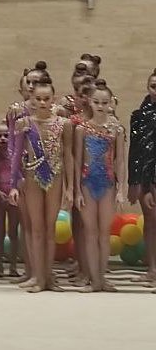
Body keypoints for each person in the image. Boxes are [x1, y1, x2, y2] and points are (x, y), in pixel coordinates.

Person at [9, 75, 73, 292]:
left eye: (47, 98)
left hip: (55, 178)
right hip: (32, 178)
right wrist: (13, 185)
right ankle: (37, 276)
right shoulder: (24, 124)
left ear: (53, 98)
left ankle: (48, 277)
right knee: (36, 228)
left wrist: (70, 187)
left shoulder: (64, 124)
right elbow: (16, 155)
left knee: (50, 228)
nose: (43, 102)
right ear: (32, 99)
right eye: (39, 98)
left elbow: (68, 156)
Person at [74, 80, 126, 292]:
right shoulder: (81, 129)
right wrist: (76, 189)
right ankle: (94, 279)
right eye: (96, 101)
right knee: (90, 232)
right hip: (87, 182)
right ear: (90, 102)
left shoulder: (117, 129)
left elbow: (121, 160)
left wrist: (121, 188)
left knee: (104, 233)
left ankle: (102, 278)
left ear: (111, 102)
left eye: (105, 102)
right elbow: (77, 161)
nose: (101, 106)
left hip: (107, 182)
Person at [128, 68, 156, 286]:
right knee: (150, 223)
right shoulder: (139, 116)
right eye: (153, 86)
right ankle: (152, 269)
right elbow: (135, 151)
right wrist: (135, 182)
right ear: (148, 88)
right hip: (148, 178)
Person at [0, 122, 19, 277]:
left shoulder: (16, 152)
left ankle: (13, 267)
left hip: (14, 196)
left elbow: (19, 173)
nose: (2, 138)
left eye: (6, 135)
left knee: (13, 232)